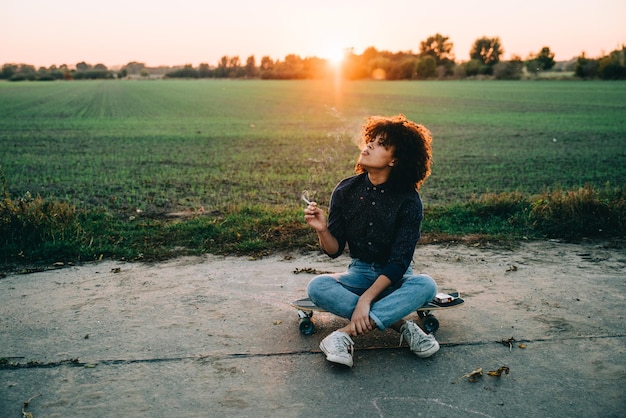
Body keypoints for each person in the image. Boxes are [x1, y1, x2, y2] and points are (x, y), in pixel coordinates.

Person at [303, 114, 438, 367]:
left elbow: (399, 262)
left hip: (395, 277)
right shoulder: (345, 190)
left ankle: (343, 335)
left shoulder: (409, 200)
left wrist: (366, 299)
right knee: (317, 286)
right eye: (371, 140)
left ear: (395, 160)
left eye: (381, 144)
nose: (368, 146)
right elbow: (334, 251)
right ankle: (402, 326)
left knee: (426, 285)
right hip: (359, 272)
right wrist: (322, 229)